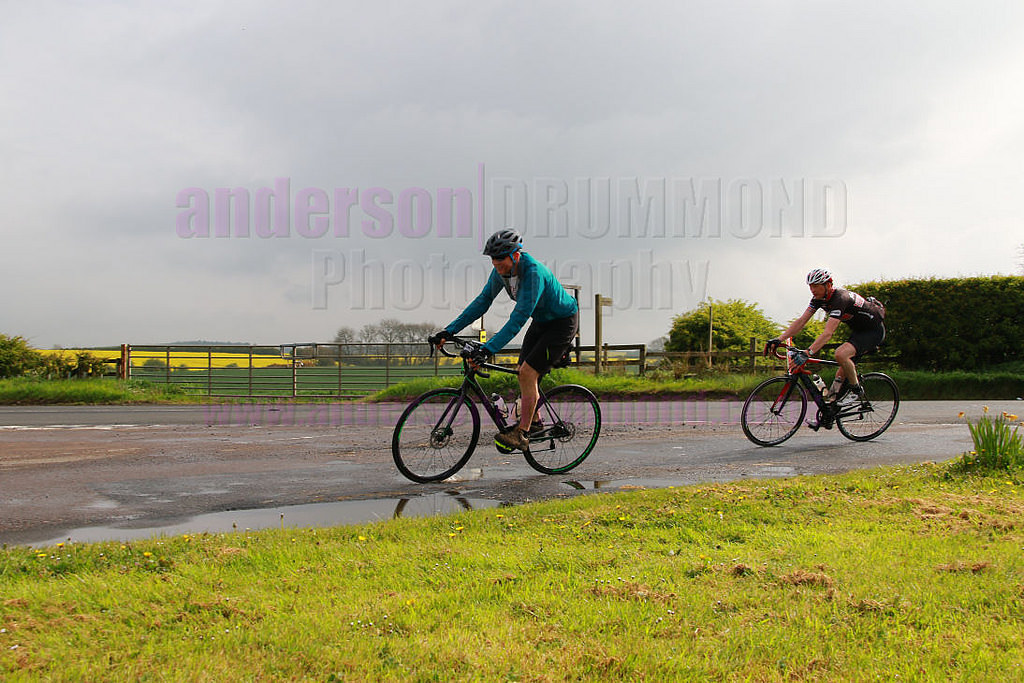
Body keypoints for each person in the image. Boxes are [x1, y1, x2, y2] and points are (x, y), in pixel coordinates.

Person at [430, 228, 579, 452]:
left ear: (516, 255)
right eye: (492, 259)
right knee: (522, 371)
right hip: (541, 321)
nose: (496, 263)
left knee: (529, 372)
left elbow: (518, 318)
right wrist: (448, 331)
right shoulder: (500, 272)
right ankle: (536, 423)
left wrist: (488, 349)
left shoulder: (533, 273)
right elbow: (483, 302)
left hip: (562, 323)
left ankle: (522, 433)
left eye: (500, 258)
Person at [768, 268, 886, 406]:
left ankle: (856, 391)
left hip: (874, 331)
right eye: (810, 286)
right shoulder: (818, 299)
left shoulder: (840, 299)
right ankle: (830, 410)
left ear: (828, 285)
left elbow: (828, 333)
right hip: (858, 332)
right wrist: (779, 339)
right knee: (840, 376)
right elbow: (801, 321)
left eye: (816, 286)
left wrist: (808, 352)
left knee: (841, 354)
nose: (812, 290)